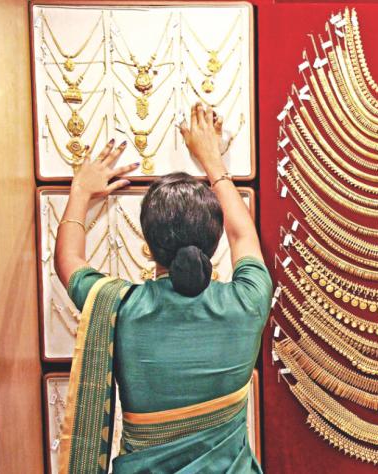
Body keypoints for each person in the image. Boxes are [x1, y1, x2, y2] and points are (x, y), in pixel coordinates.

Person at [54, 103, 272, 473]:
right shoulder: (247, 303)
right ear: (214, 240)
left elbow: (67, 262)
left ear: (148, 243)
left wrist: (79, 191)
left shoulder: (120, 308)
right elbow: (243, 234)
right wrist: (213, 163)